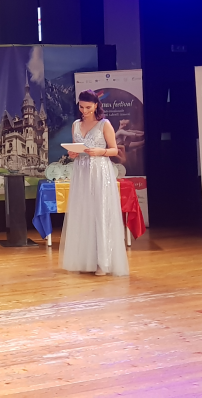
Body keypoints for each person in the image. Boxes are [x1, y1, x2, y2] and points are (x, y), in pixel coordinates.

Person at [60, 90, 130, 277]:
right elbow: (76, 148)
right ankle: (86, 259)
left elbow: (115, 150)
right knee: (84, 213)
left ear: (96, 105)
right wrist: (73, 154)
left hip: (99, 171)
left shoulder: (104, 124)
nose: (84, 111)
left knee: (100, 213)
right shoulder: (76, 124)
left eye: (88, 107)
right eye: (81, 107)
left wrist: (101, 151)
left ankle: (103, 262)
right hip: (82, 172)